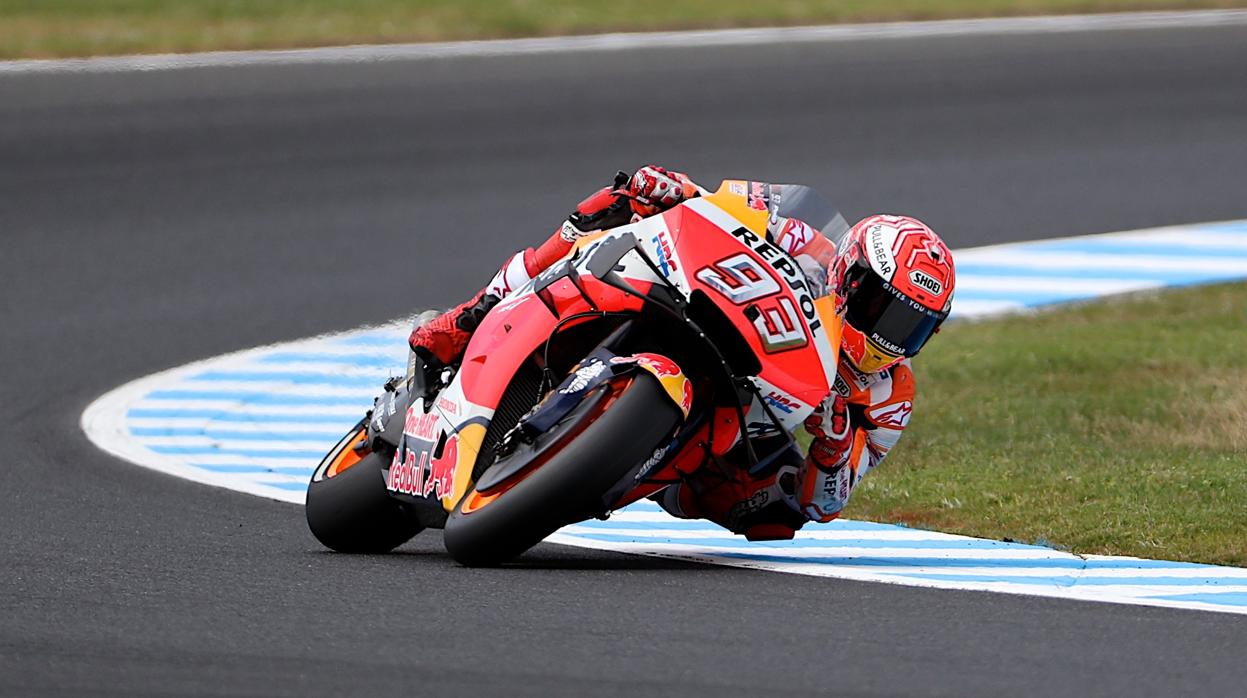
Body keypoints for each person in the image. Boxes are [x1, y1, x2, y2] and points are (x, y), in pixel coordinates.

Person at [409, 166, 956, 539]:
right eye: (887, 312)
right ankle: (474, 313)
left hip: (737, 424)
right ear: (852, 275)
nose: (890, 338)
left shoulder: (889, 397)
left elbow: (824, 504)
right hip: (702, 309)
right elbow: (723, 205)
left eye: (911, 328)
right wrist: (677, 189)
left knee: (776, 513)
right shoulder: (805, 240)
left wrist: (835, 446)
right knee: (617, 204)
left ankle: (613, 467)